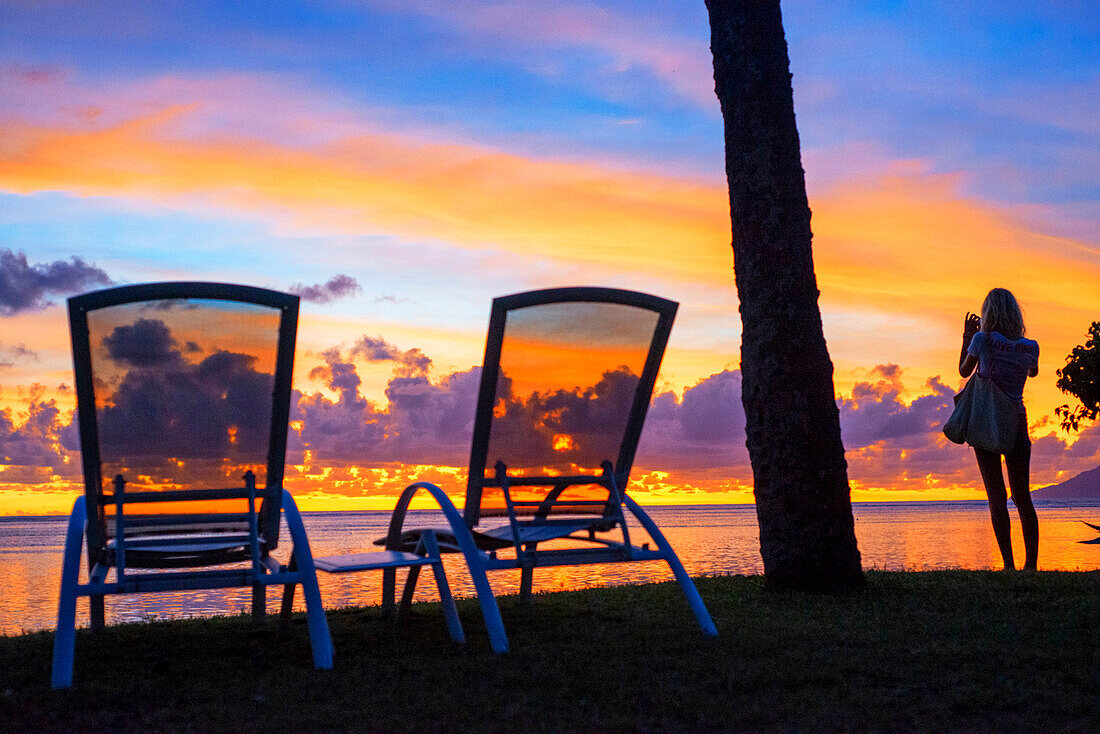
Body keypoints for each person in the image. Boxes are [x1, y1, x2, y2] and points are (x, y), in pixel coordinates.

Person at [959, 288, 1040, 570]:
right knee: (1022, 496)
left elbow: (963, 370)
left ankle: (1008, 565)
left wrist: (967, 337)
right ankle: (1031, 565)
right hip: (1017, 421)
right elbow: (1032, 372)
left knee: (997, 496)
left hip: (987, 419)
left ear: (988, 313)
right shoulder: (1031, 346)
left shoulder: (982, 340)